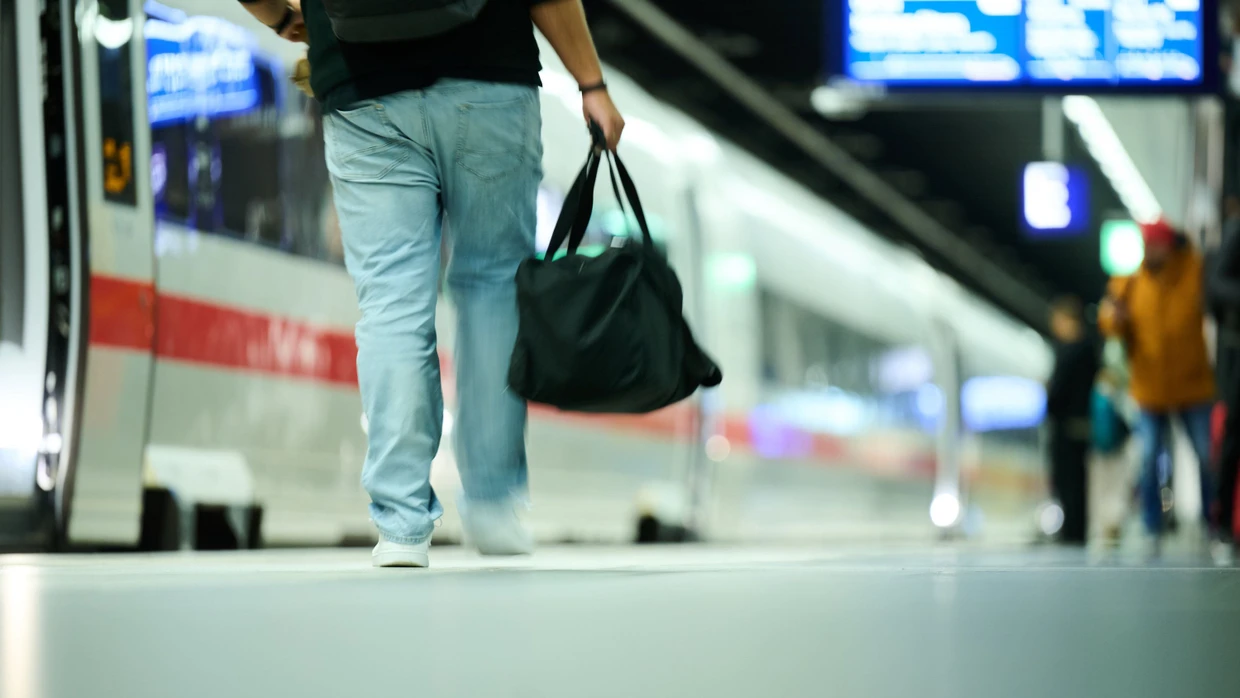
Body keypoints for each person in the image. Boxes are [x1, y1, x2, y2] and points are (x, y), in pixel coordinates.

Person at [239, 0, 626, 567]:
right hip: (489, 82)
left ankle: (400, 523)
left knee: (391, 302)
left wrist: (283, 18)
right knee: (493, 290)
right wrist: (590, 82)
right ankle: (492, 503)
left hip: (361, 92)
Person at [1099, 218, 1217, 551]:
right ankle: (1153, 526)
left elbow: (1210, 284)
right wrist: (1113, 318)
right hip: (1148, 388)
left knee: (1207, 456)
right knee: (1149, 457)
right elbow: (1108, 320)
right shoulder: (1131, 282)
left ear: (1170, 246)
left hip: (1193, 386)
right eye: (1146, 245)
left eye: (1156, 245)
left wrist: (1188, 244)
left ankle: (1214, 523)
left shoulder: (1193, 272)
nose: (1149, 251)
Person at [1045, 296, 1099, 545]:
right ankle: (1078, 532)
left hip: (1065, 426)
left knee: (1067, 482)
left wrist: (1049, 395)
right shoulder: (1090, 350)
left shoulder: (1068, 352)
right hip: (1085, 425)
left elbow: (1058, 394)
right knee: (1079, 481)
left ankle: (1071, 534)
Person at [1208, 200, 1240, 555]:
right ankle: (1222, 526)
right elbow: (1217, 284)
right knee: (1234, 435)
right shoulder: (1237, 234)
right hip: (1238, 351)